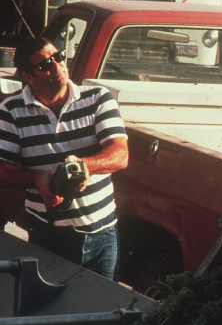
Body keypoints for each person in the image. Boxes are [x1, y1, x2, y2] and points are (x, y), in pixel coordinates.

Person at [0, 38, 128, 281]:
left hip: (102, 234)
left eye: (58, 56)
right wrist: (38, 178)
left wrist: (79, 168)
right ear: (28, 77)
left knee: (101, 314)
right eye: (46, 64)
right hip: (46, 235)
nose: (57, 65)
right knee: (49, 315)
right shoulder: (10, 111)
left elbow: (120, 154)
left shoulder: (98, 99)